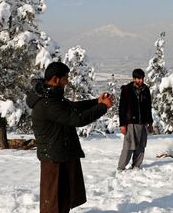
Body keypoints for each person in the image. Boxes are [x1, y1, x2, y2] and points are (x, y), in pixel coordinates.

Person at [26, 61, 114, 213]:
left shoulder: (51, 96)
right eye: (65, 77)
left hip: (61, 154)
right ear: (55, 79)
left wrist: (96, 102)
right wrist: (103, 107)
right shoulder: (48, 102)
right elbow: (76, 119)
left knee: (63, 198)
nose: (67, 81)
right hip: (54, 158)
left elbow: (71, 108)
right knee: (53, 203)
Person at [117, 68, 153, 171]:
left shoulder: (146, 90)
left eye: (142, 78)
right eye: (138, 79)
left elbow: (148, 108)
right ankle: (121, 168)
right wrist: (122, 125)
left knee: (141, 146)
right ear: (134, 78)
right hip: (130, 123)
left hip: (143, 123)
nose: (140, 81)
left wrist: (150, 123)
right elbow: (122, 108)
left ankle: (136, 166)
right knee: (128, 147)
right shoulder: (126, 90)